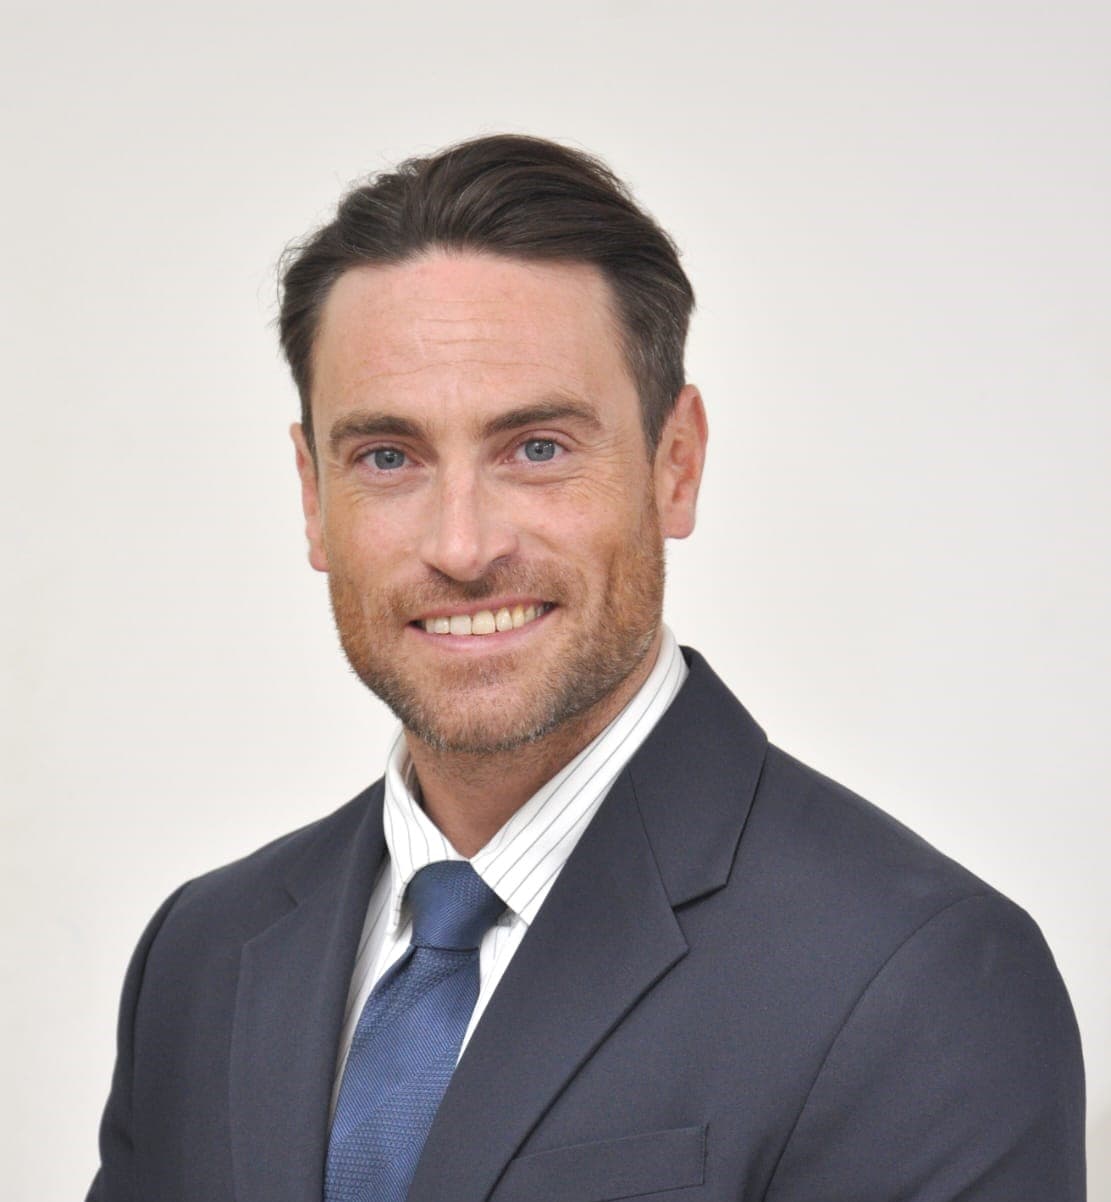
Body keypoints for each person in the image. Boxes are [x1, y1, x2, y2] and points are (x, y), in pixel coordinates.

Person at [87, 134, 1085, 1202]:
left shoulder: (921, 977)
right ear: (310, 495)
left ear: (675, 464)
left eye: (538, 447)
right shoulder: (204, 952)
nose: (462, 547)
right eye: (387, 456)